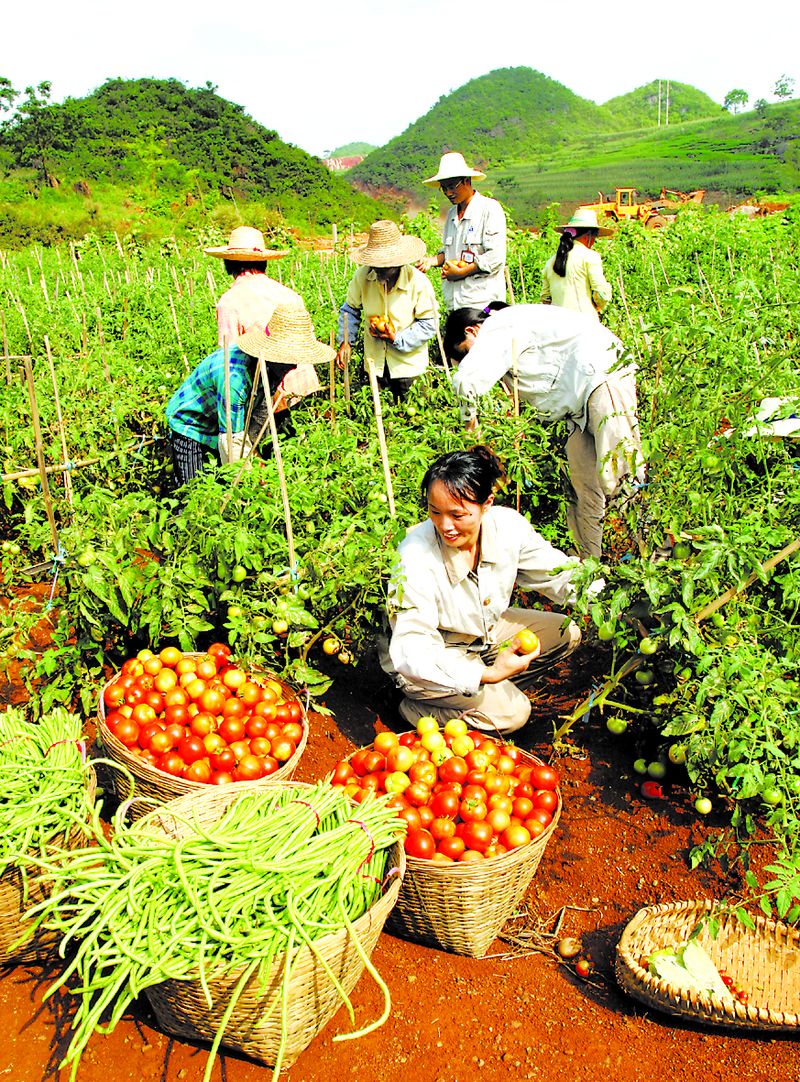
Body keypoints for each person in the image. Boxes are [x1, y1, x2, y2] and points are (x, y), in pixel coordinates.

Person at [380, 446, 583, 734]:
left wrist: (613, 595)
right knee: (514, 713)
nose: (444, 525)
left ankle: (479, 698)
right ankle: (418, 709)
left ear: (486, 504)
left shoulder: (507, 528)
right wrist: (489, 673)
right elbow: (412, 649)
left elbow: (558, 574)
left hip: (481, 638)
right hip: (427, 663)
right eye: (434, 512)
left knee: (566, 632)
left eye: (457, 515)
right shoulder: (414, 554)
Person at [444, 303, 645, 559]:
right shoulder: (508, 329)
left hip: (600, 379)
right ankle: (585, 565)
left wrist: (470, 429)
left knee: (621, 473)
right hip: (576, 405)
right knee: (583, 488)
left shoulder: (496, 327)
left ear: (471, 331)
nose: (469, 360)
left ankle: (654, 554)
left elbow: (465, 382)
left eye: (466, 354)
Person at [166, 304, 334, 485]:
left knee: (229, 476)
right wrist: (253, 482)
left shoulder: (271, 367)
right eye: (289, 359)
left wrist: (257, 457)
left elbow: (260, 411)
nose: (293, 366)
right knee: (193, 493)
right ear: (274, 355)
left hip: (223, 419)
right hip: (192, 424)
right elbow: (233, 442)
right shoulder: (235, 379)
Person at [204, 225, 320, 404]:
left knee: (248, 432)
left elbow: (230, 363)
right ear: (263, 262)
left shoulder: (229, 302)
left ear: (228, 263)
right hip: (307, 384)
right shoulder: (288, 294)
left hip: (275, 395)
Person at [336, 220, 438, 400]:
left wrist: (397, 338)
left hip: (408, 368)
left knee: (412, 418)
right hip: (375, 365)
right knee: (378, 414)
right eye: (375, 264)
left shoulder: (418, 282)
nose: (378, 270)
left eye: (385, 266)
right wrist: (346, 341)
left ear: (399, 262)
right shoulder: (363, 277)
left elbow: (429, 324)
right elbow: (350, 310)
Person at [415, 152, 507, 312]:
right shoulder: (452, 214)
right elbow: (451, 253)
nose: (448, 193)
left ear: (466, 181)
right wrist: (431, 261)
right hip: (456, 304)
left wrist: (461, 272)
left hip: (483, 305)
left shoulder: (489, 209)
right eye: (444, 188)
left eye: (452, 187)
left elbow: (496, 257)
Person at [541, 208, 613, 318]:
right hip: (582, 323)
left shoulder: (551, 261)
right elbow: (602, 294)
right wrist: (598, 305)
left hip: (556, 325)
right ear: (588, 235)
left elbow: (546, 298)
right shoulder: (590, 257)